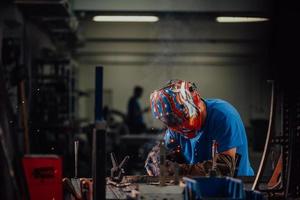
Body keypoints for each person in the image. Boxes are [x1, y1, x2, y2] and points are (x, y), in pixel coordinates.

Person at [145, 80, 254, 177]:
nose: (180, 126)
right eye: (173, 122)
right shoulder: (176, 125)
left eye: (181, 119)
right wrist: (155, 159)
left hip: (237, 185)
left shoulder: (223, 116)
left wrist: (178, 171)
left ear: (194, 104)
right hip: (198, 186)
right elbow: (163, 148)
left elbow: (224, 168)